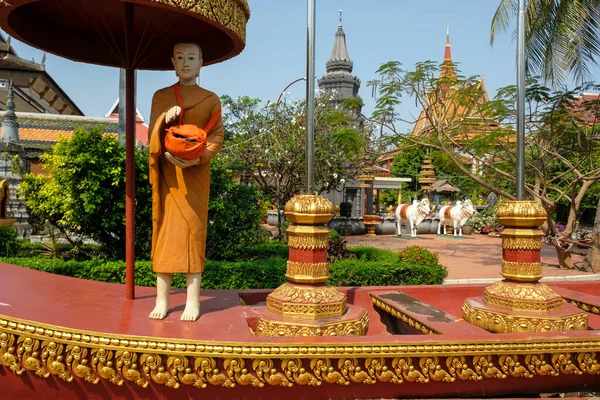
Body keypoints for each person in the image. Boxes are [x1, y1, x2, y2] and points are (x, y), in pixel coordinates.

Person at [147, 41, 223, 322]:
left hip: (195, 176)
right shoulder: (161, 96)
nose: (186, 62)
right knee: (166, 235)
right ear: (173, 62)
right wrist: (164, 120)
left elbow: (216, 138)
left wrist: (198, 159)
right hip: (170, 176)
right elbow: (152, 137)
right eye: (180, 57)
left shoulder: (211, 99)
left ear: (202, 62)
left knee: (194, 235)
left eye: (192, 57)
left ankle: (193, 302)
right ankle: (162, 299)